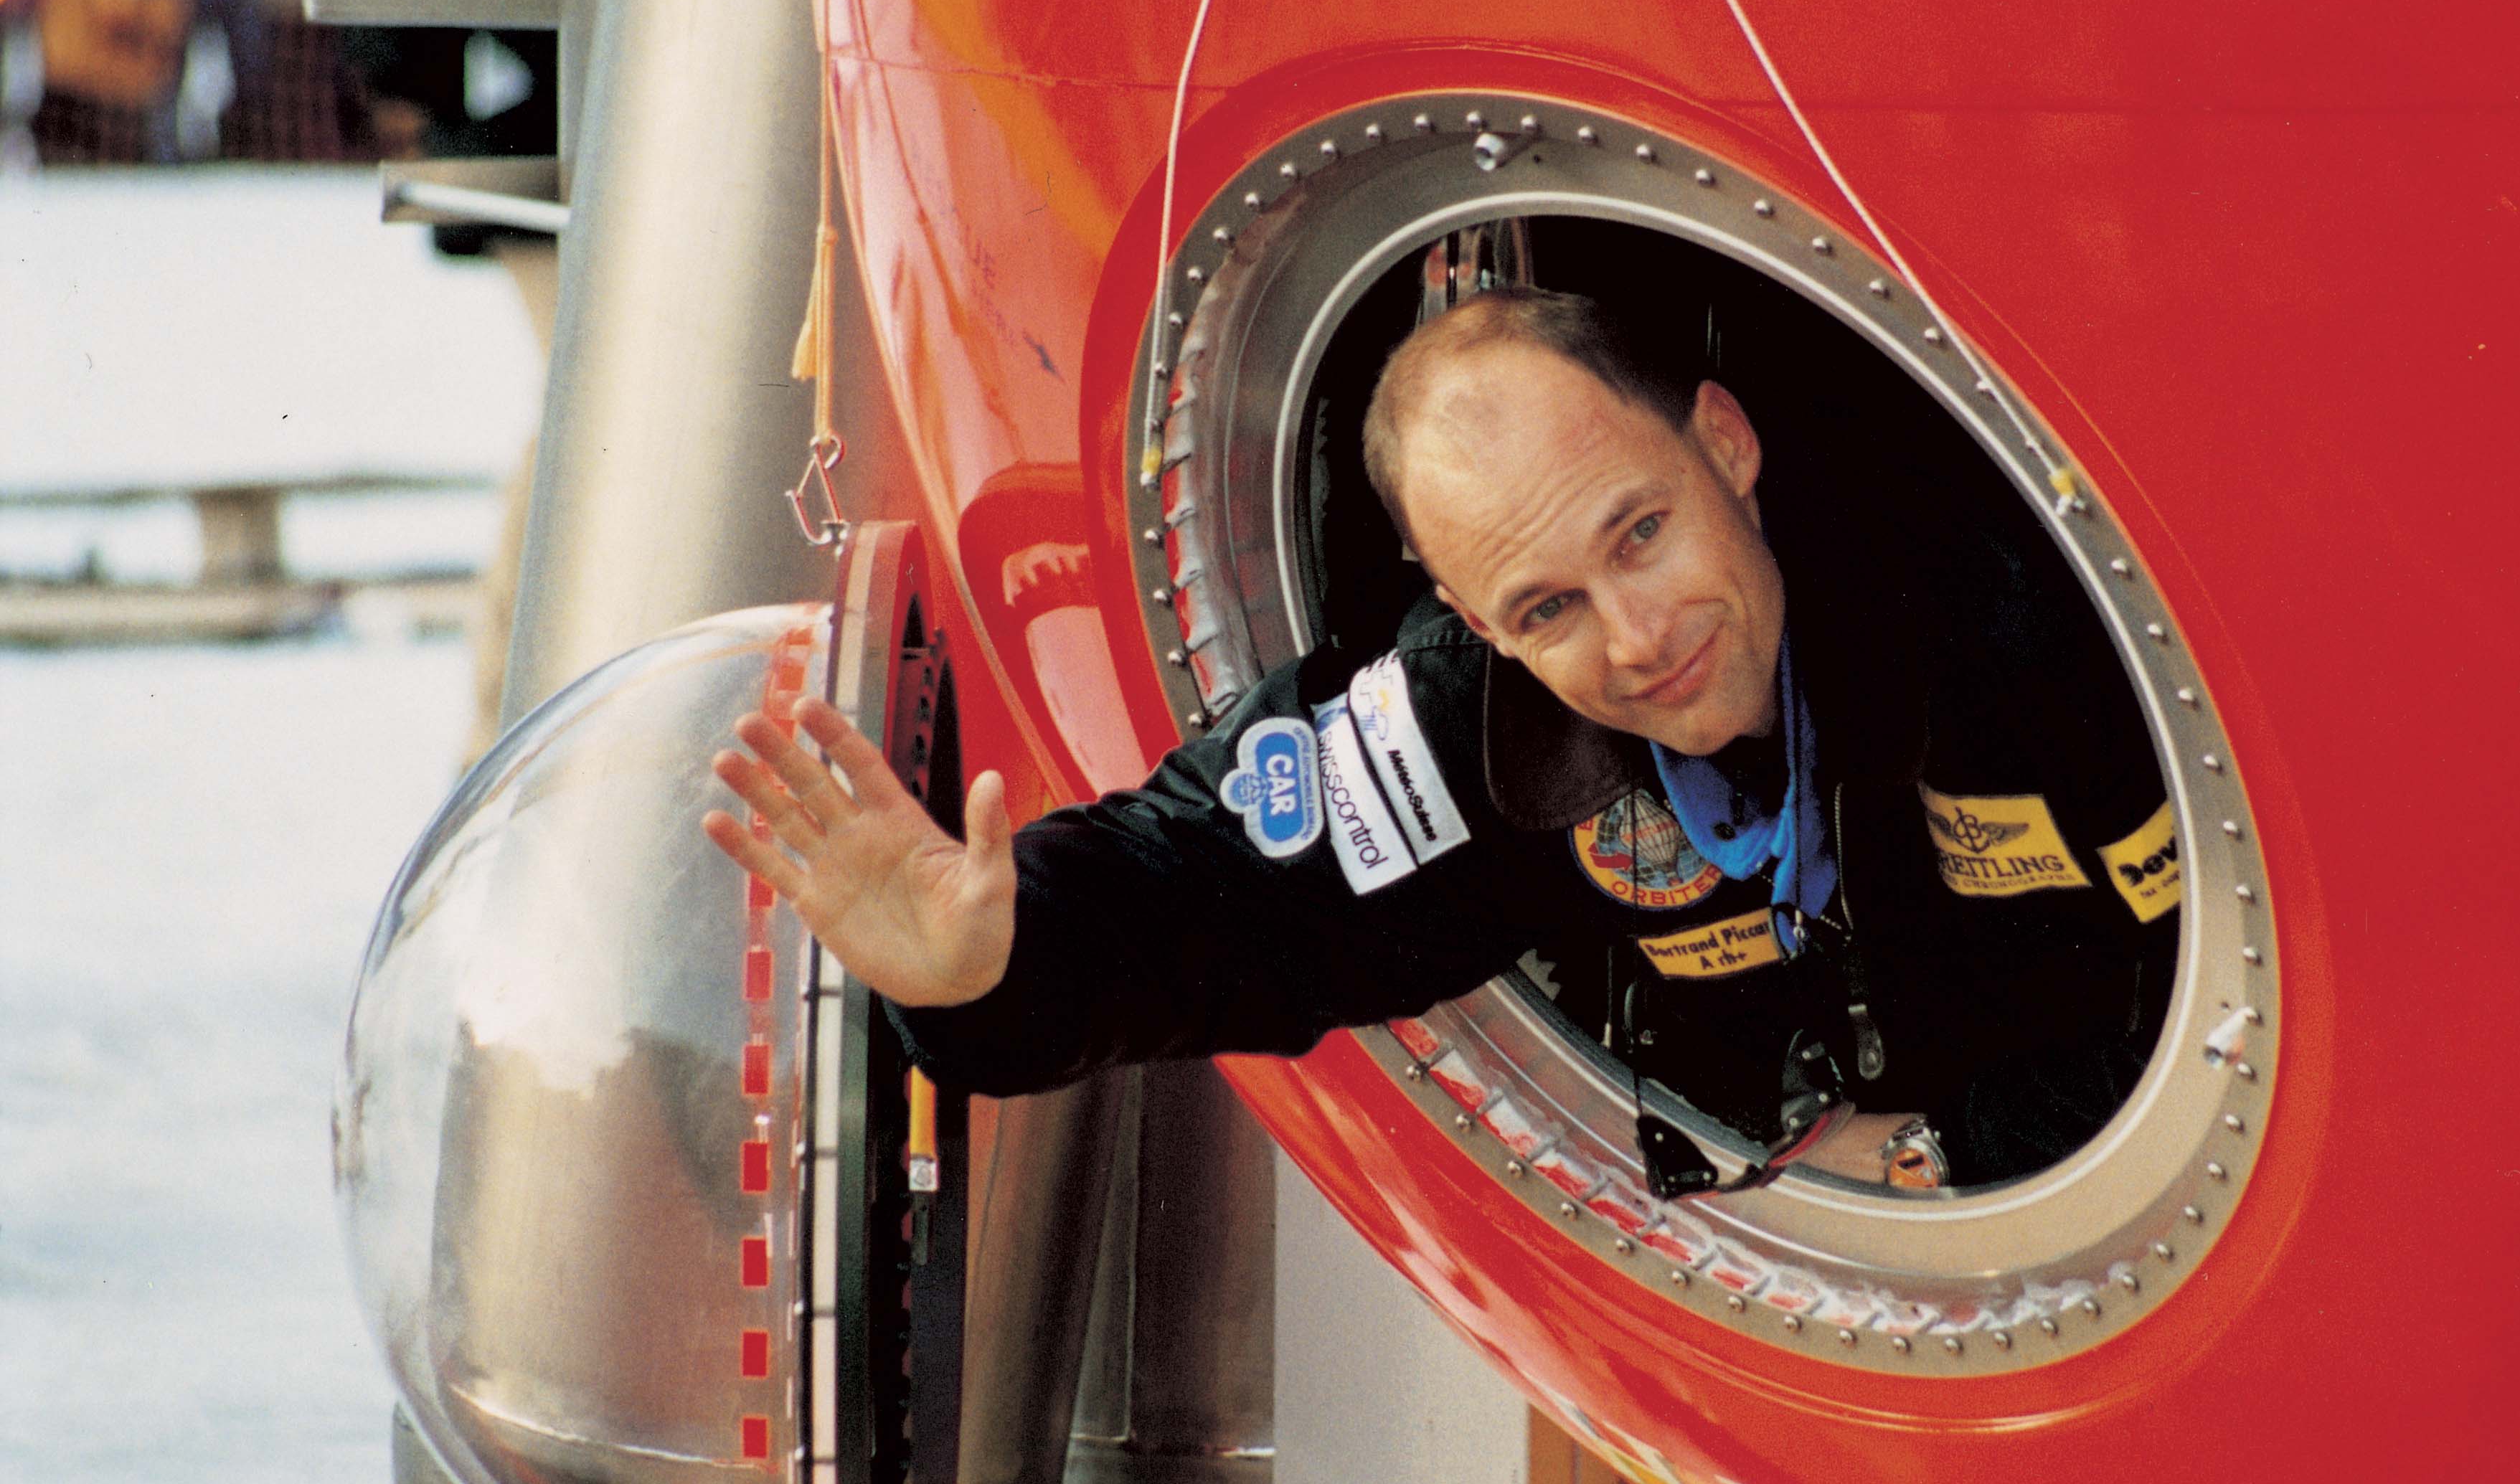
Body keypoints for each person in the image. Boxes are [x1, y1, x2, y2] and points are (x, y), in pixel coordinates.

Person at [707, 288, 2179, 1191]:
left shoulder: (2024, 618)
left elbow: (2260, 1016)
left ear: (1725, 444)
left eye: (1641, 531)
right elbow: (1215, 879)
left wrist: (1953, 1151)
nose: (1634, 636)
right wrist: (990, 967)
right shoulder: (1482, 715)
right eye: (1546, 606)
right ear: (1473, 620)